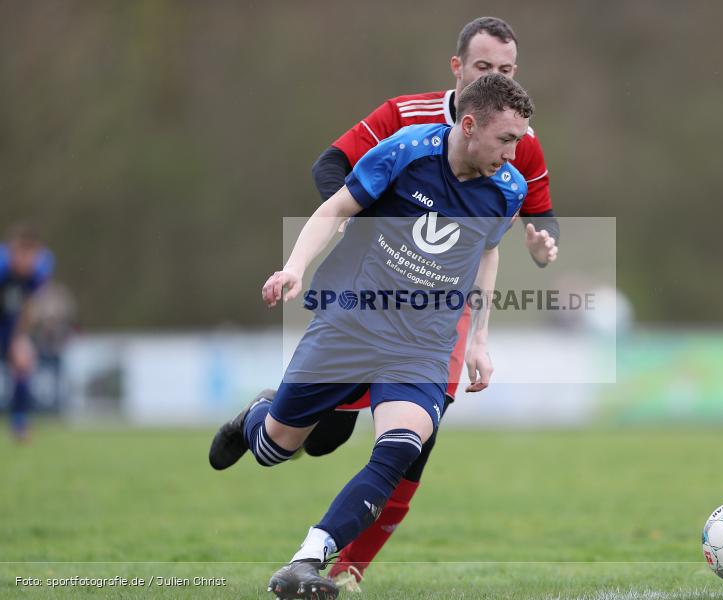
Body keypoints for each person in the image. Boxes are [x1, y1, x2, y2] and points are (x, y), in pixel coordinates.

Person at [209, 73, 534, 600]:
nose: (514, 152)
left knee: (401, 446)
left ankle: (305, 562)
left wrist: (478, 339)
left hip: (422, 345)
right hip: (351, 324)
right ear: (469, 125)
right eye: (506, 139)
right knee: (274, 449)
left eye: (519, 139)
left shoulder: (508, 188)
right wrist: (293, 267)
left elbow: (487, 254)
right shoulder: (405, 152)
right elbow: (337, 207)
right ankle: (256, 418)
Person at [309, 16, 558, 590]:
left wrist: (544, 248)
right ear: (457, 68)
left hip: (440, 320)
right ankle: (273, 417)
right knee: (324, 438)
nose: (495, 78)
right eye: (483, 68)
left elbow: (541, 225)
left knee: (411, 446)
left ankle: (349, 568)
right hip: (369, 299)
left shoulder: (517, 139)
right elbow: (330, 167)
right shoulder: (404, 115)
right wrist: (376, 229)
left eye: (506, 70)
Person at [0, 223, 55, 442]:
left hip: (10, 323)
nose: (28, 262)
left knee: (23, 361)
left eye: (33, 256)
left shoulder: (41, 269)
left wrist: (19, 335)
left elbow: (29, 304)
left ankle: (19, 423)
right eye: (24, 255)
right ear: (14, 252)